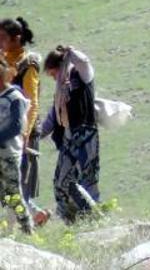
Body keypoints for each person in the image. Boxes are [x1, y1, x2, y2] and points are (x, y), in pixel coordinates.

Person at [41, 46, 100, 224]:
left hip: (85, 136)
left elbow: (84, 61)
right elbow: (53, 118)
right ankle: (70, 221)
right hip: (68, 139)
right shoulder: (60, 91)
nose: (53, 78)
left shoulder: (81, 75)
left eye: (53, 73)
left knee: (87, 179)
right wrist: (34, 136)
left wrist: (70, 51)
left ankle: (93, 218)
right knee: (61, 182)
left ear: (61, 67)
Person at [0, 18, 50, 226]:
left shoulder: (28, 65)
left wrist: (25, 133)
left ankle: (21, 227)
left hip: (20, 132)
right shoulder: (3, 61)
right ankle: (34, 215)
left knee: (17, 182)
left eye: (2, 38)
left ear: (16, 39)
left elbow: (32, 101)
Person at [0, 57, 34, 234]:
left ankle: (27, 228)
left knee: (14, 194)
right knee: (4, 196)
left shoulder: (15, 98)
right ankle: (8, 230)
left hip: (9, 154)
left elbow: (16, 126)